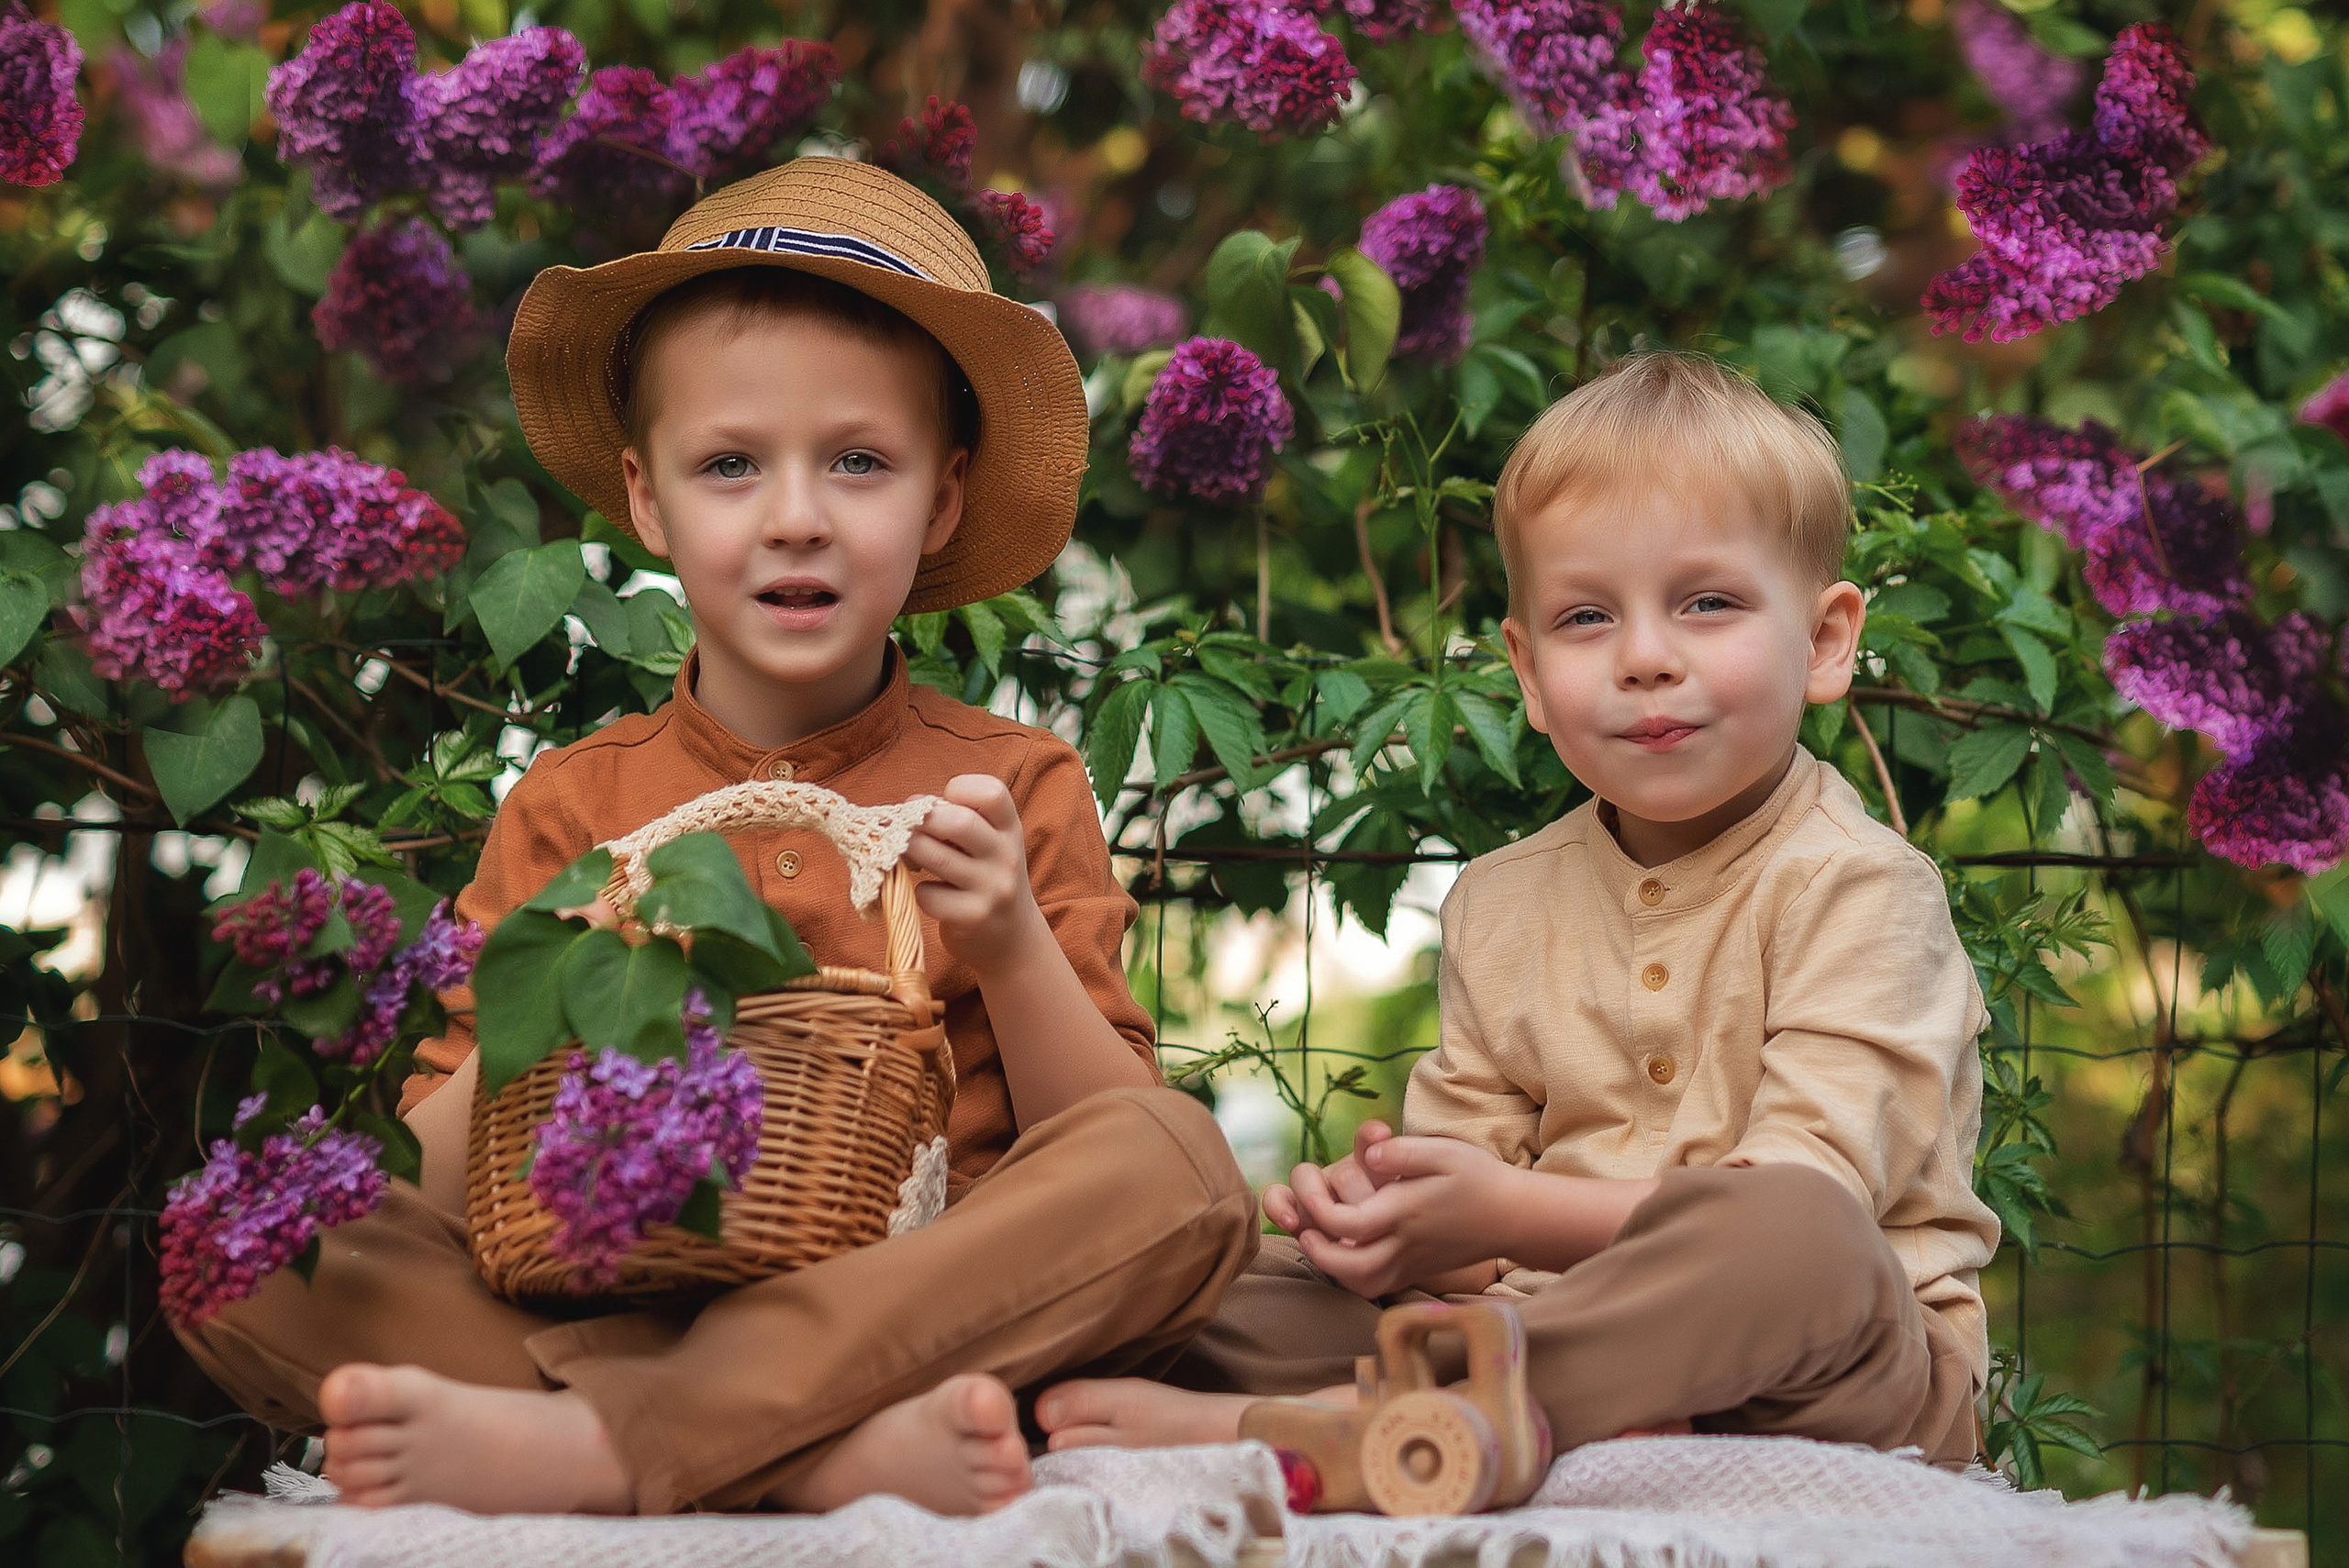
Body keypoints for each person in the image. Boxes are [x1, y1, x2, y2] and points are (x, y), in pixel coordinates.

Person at [172, 160, 1258, 1518]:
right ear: (646, 500)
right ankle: (802, 1452)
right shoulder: (572, 806)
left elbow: (1111, 1139)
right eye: (731, 464)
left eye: (859, 461)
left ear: (941, 501)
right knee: (246, 1238)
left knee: (1180, 1168)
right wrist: (552, 986)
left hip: (928, 1316)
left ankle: (615, 1452)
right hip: (622, 1311)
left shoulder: (1009, 784)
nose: (795, 513)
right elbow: (440, 1191)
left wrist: (1011, 945)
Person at [1037, 351, 2001, 1468]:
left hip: (1832, 1373)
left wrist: (1502, 1214)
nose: (1645, 657)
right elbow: (1465, 1241)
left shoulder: (1861, 887)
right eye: (1587, 616)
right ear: (1529, 671)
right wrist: (1391, 1224)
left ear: (1826, 640)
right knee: (1212, 1270)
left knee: (1802, 1235)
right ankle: (1463, 1402)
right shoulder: (1499, 903)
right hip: (1527, 1328)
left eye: (1708, 602)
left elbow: (1808, 1191)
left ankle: (1351, 1422)